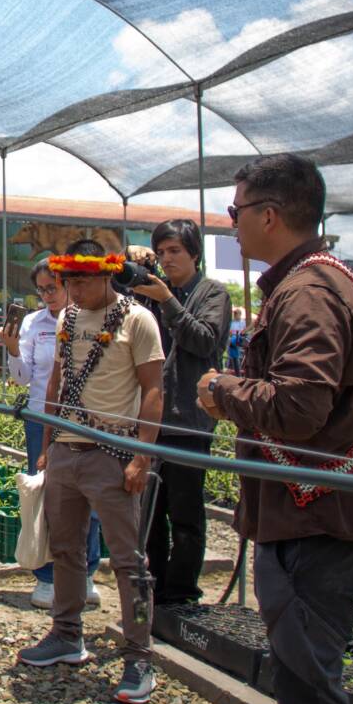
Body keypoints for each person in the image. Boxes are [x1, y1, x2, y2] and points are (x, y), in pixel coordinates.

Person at [198, 154, 353, 704]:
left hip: (316, 519)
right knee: (307, 677)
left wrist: (223, 392)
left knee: (310, 682)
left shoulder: (307, 293)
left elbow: (303, 406)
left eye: (237, 210)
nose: (233, 222)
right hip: (311, 514)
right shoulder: (315, 283)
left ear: (269, 214)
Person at [17, 240, 164, 704]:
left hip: (113, 454)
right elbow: (57, 382)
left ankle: (139, 654)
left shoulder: (138, 319)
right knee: (65, 548)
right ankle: (66, 634)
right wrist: (47, 445)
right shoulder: (68, 319)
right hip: (66, 449)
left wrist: (142, 456)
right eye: (69, 280)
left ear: (107, 275)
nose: (73, 289)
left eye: (81, 280)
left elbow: (154, 389)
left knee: (127, 560)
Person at [131, 218, 230, 606]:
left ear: (195, 254)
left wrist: (167, 301)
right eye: (162, 252)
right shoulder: (155, 292)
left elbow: (204, 341)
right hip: (153, 419)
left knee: (186, 512)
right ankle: (153, 585)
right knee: (150, 510)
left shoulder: (212, 293)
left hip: (189, 420)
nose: (168, 259)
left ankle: (183, 591)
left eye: (175, 251)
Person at [1, 260, 102, 611]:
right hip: (41, 420)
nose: (48, 296)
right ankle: (45, 577)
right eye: (41, 290)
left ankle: (86, 573)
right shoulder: (34, 323)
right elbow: (24, 377)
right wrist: (13, 349)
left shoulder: (92, 319)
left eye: (53, 288)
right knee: (45, 494)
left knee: (89, 495)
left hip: (84, 421)